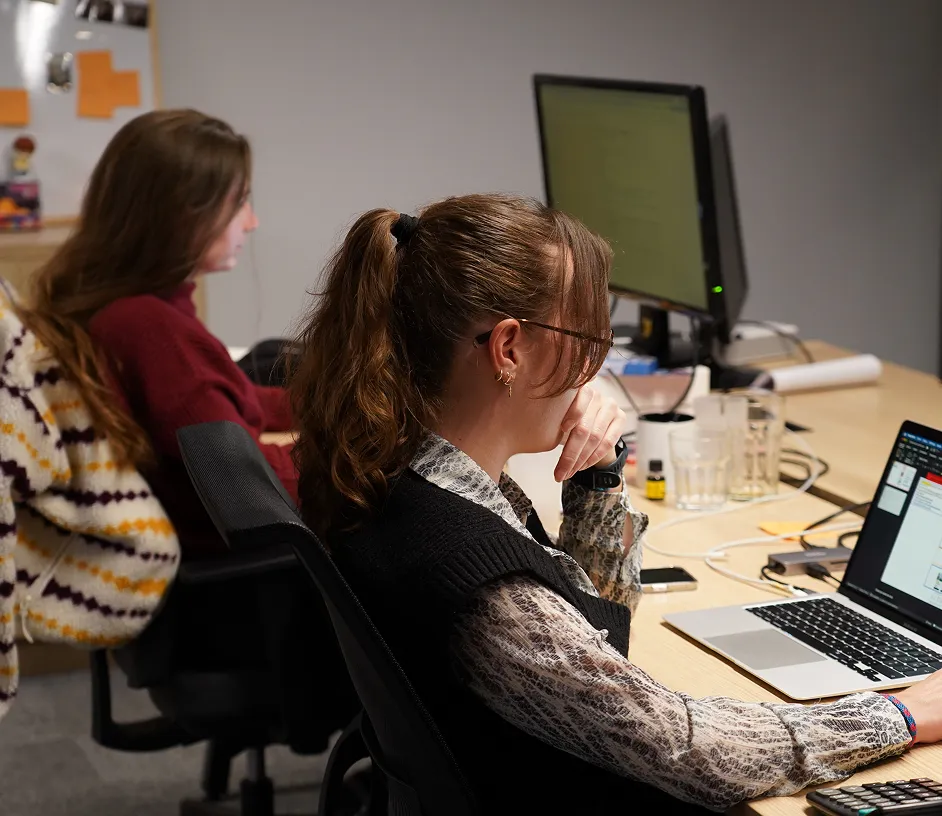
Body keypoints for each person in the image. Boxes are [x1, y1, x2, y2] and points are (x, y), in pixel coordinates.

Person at [288, 193, 942, 813]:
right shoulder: (475, 576)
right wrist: (901, 715)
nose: (591, 368)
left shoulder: (401, 466)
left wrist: (598, 478)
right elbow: (693, 750)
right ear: (509, 348)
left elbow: (587, 624)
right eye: (584, 337)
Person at [14, 109, 357, 750]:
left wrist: (330, 406)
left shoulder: (128, 307)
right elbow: (248, 487)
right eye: (239, 204)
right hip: (241, 598)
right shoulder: (150, 331)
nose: (251, 223)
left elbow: (227, 405)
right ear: (182, 216)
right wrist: (362, 450)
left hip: (209, 583)